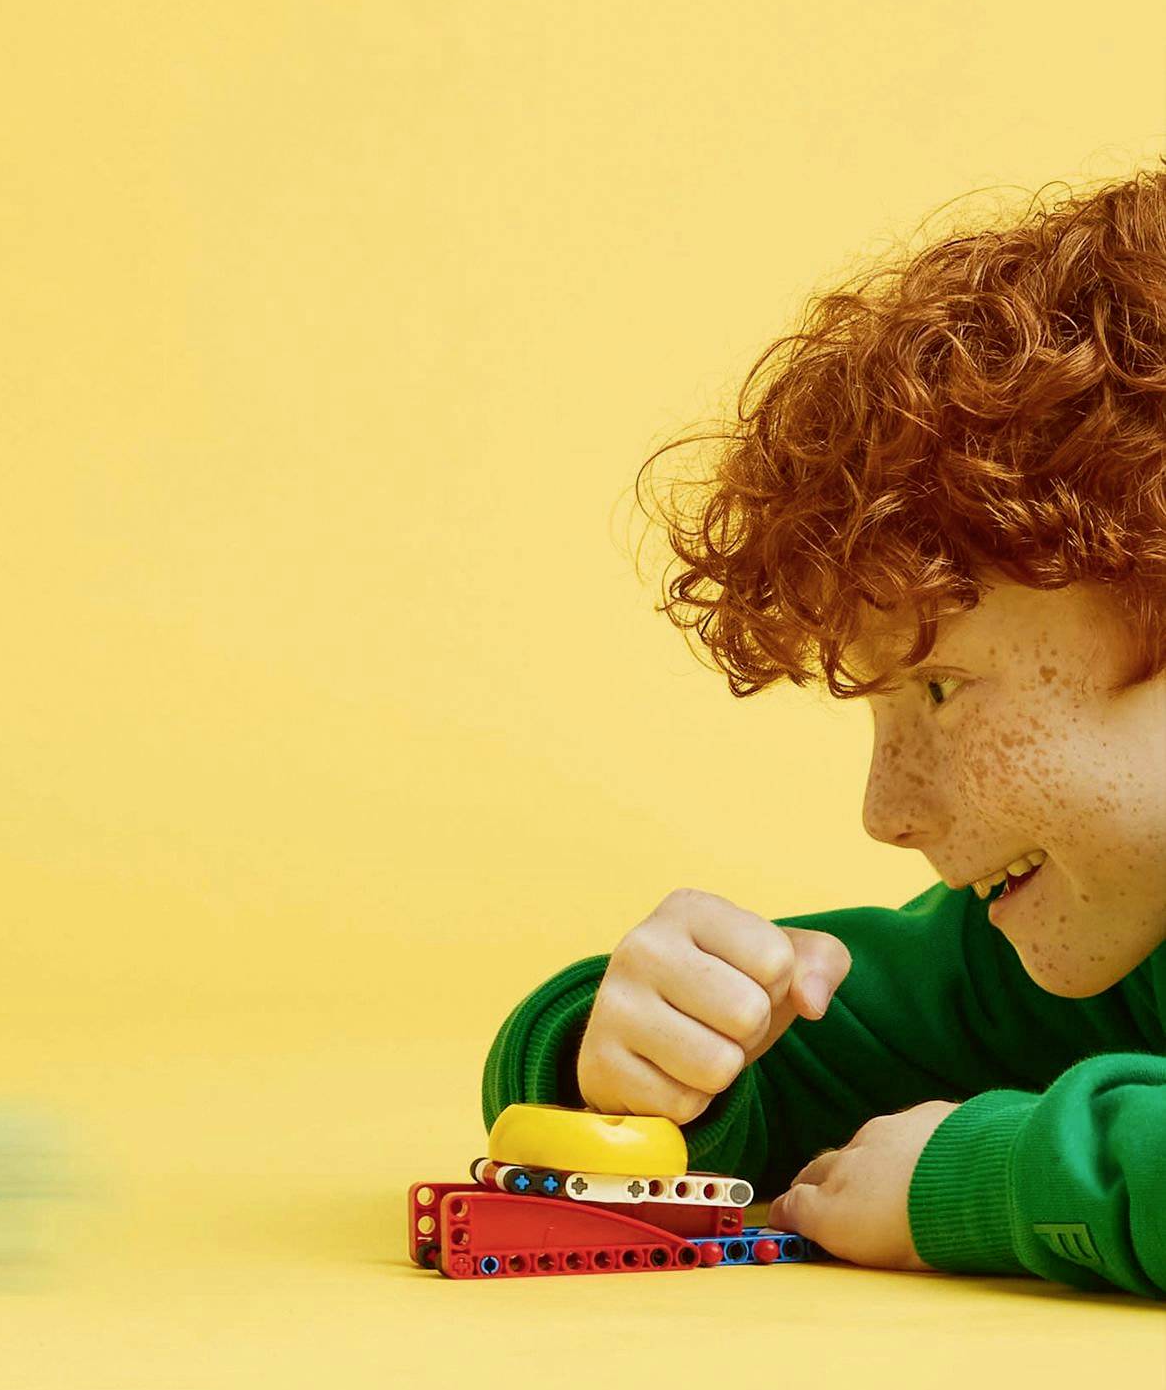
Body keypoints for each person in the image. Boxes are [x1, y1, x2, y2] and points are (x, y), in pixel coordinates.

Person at [482, 165, 1166, 1296]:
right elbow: (824, 1057)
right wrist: (643, 1055)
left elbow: (972, 1162)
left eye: (943, 689)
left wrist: (983, 1179)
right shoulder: (1110, 924)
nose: (885, 811)